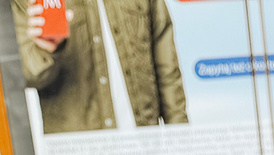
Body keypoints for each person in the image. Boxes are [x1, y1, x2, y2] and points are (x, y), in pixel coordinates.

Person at [16, 0, 188, 134]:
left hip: (144, 147)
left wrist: (180, 139)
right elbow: (28, 76)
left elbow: (167, 69)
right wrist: (49, 50)